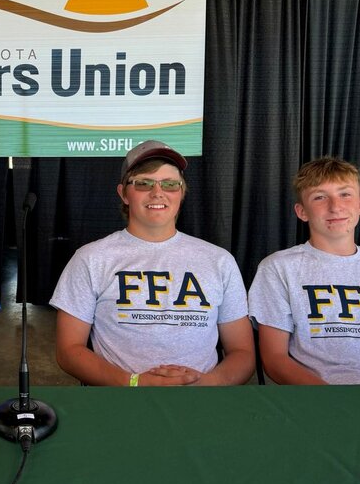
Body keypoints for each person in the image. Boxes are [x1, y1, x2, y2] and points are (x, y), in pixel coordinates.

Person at [51, 140, 255, 387]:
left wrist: (206, 385)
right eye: (144, 183)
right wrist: (135, 382)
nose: (158, 193)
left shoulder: (219, 261)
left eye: (170, 184)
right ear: (124, 194)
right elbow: (69, 351)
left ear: (181, 193)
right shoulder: (90, 258)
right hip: (120, 399)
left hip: (203, 402)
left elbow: (242, 353)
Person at [249, 156, 360, 384]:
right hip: (318, 402)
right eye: (320, 197)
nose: (335, 207)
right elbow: (274, 359)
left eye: (345, 194)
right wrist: (331, 401)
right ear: (301, 211)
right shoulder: (278, 268)